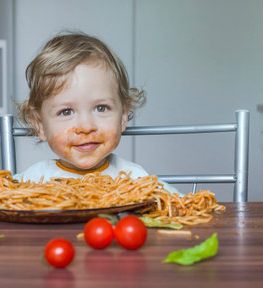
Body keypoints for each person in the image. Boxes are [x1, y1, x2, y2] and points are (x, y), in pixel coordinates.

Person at [14, 32, 179, 194]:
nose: (86, 127)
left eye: (101, 108)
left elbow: (181, 206)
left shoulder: (136, 181)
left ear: (123, 116)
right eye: (66, 112)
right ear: (40, 124)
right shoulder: (29, 183)